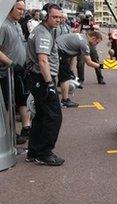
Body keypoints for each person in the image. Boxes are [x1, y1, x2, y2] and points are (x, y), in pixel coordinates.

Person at [24, 3, 64, 166]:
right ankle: (45, 153)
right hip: (42, 79)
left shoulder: (46, 31)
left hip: (37, 78)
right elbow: (42, 60)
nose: (58, 20)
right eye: (54, 17)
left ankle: (34, 151)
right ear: (44, 15)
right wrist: (49, 84)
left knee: (40, 116)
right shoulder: (43, 34)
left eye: (60, 17)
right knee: (54, 116)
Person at [0, 0, 30, 144]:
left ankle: (25, 128)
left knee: (22, 99)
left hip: (18, 71)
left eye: (23, 9)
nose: (22, 12)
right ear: (10, 9)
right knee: (8, 104)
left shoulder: (17, 25)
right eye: (19, 9)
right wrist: (11, 63)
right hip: (6, 73)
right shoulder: (3, 26)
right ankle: (10, 135)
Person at [56, 31, 104, 107]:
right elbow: (88, 62)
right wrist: (101, 66)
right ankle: (65, 100)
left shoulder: (82, 36)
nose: (96, 45)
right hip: (59, 50)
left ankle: (59, 94)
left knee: (67, 74)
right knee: (65, 77)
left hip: (58, 48)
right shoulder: (84, 44)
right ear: (93, 38)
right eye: (97, 42)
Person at [76, 10, 105, 85]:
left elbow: (98, 28)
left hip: (91, 44)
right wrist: (81, 24)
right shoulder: (81, 23)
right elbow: (76, 32)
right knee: (80, 63)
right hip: (82, 44)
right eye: (87, 17)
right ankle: (80, 79)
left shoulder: (92, 23)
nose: (88, 18)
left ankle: (100, 78)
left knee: (95, 60)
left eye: (89, 17)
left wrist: (91, 25)